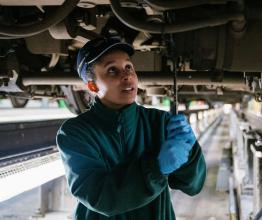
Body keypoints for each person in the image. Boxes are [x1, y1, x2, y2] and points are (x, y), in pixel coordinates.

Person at [56, 37, 206, 220]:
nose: (126, 75)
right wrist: (156, 167)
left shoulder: (159, 122)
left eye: (128, 67)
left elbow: (193, 185)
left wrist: (190, 155)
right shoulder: (75, 133)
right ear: (92, 85)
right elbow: (99, 197)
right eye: (112, 70)